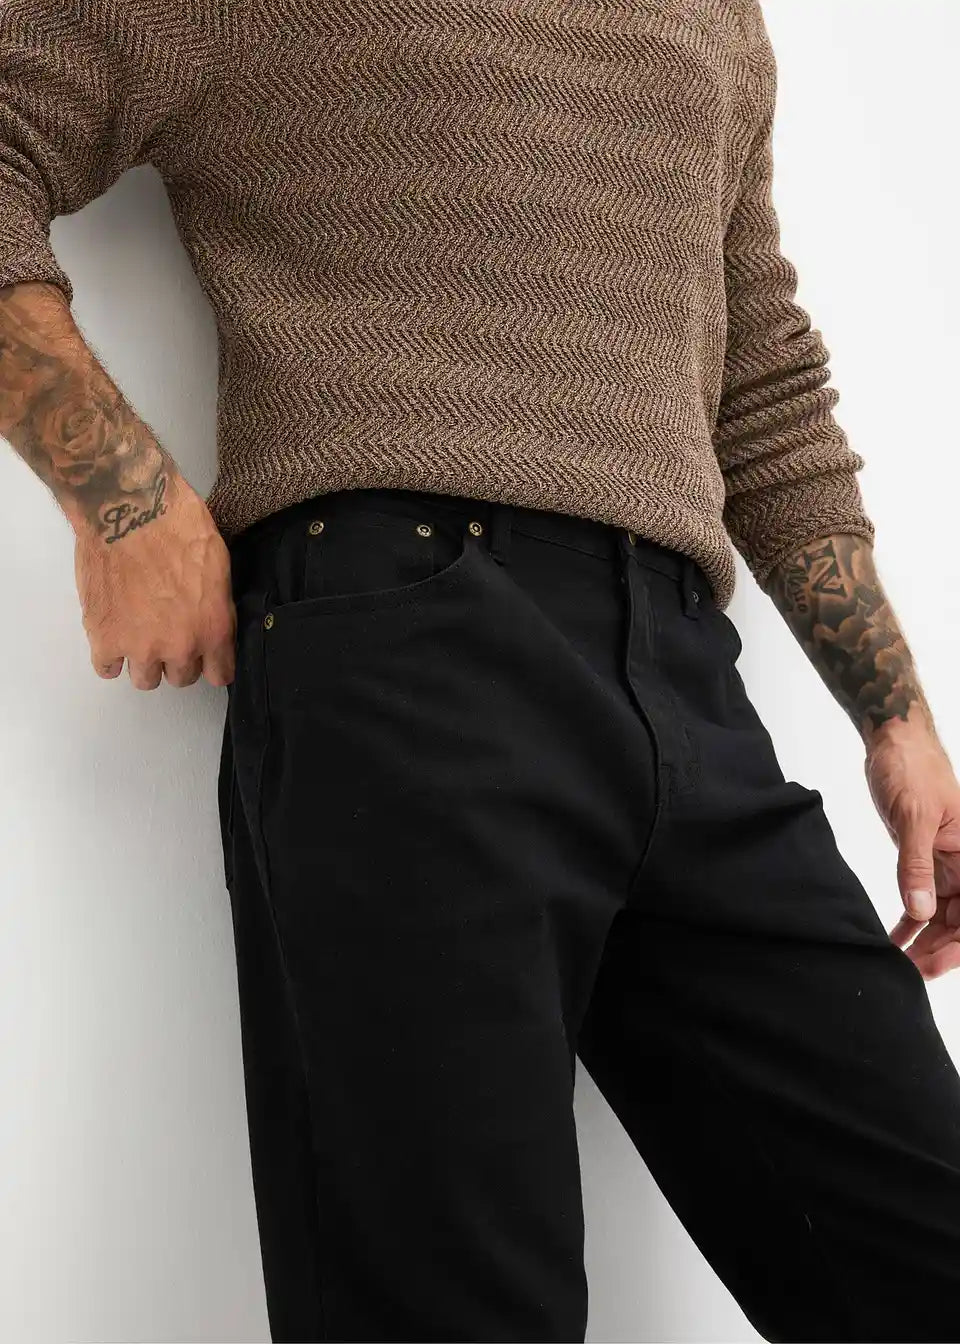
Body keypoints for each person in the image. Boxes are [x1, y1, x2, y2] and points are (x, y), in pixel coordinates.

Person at [2, 1, 960, 1339]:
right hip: (405, 649)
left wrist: (898, 718)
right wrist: (122, 499)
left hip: (686, 679)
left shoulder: (713, 17)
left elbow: (759, 378)